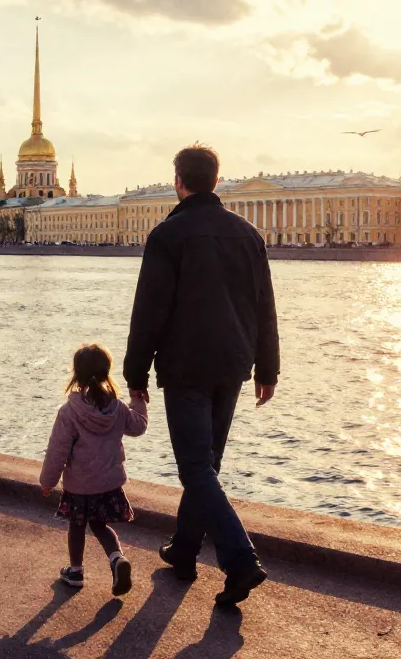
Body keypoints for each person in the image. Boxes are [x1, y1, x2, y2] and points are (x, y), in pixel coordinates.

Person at [124, 143, 280, 607]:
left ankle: (240, 561)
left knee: (195, 465)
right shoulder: (248, 234)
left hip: (186, 364)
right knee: (205, 463)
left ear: (179, 181)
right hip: (233, 364)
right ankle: (186, 551)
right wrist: (267, 368)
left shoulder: (168, 235)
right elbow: (265, 309)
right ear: (216, 180)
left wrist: (136, 373)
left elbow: (149, 311)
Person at [39, 344, 148, 597]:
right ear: (107, 372)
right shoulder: (118, 408)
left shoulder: (69, 412)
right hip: (108, 483)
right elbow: (138, 426)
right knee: (100, 526)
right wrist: (138, 399)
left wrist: (48, 481)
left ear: (75, 374)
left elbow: (58, 450)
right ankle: (117, 559)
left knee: (77, 526)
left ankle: (75, 571)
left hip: (79, 484)